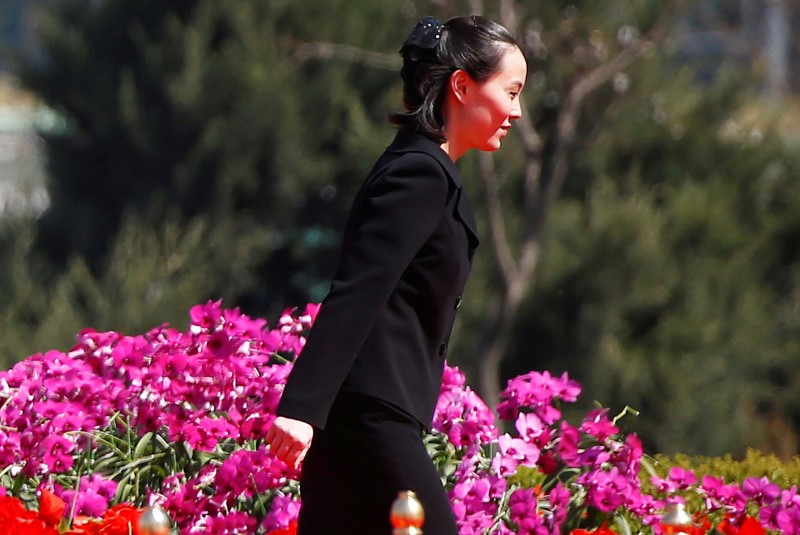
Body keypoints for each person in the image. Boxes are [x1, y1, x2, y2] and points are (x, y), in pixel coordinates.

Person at [265, 14, 527, 535]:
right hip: (368, 417)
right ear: (461, 85)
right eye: (512, 91)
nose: (517, 111)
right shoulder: (419, 173)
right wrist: (301, 407)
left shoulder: (431, 172)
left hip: (373, 414)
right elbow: (359, 289)